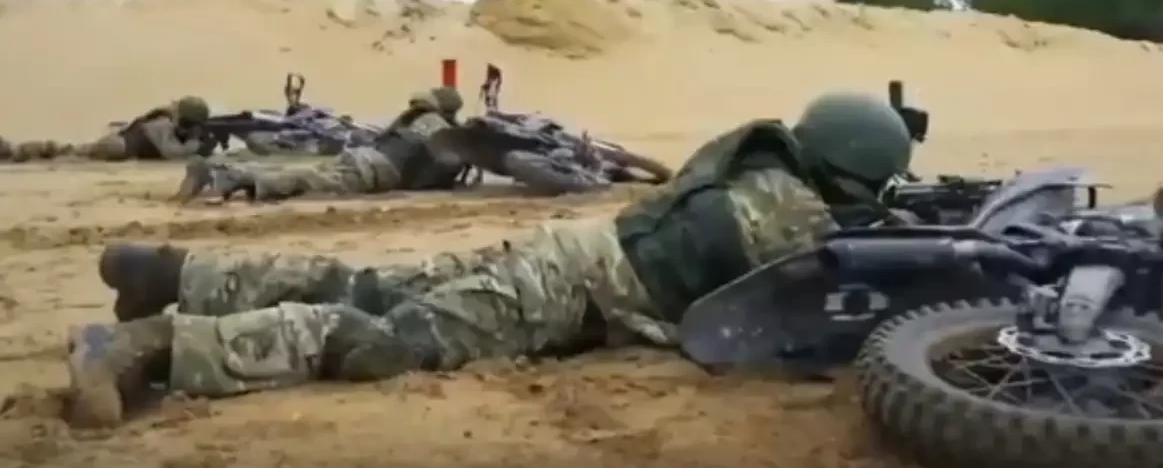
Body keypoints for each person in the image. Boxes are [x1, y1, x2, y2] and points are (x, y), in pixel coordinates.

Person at [64, 91, 915, 428]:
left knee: (370, 283)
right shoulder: (795, 213)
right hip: (569, 288)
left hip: (568, 253)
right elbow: (837, 290)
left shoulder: (760, 161)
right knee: (383, 338)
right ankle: (154, 345)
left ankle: (173, 272)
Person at [174, 86, 466, 203]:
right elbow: (446, 163)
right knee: (305, 180)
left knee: (308, 174)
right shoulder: (439, 127)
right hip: (376, 170)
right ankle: (228, 178)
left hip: (366, 157)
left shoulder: (415, 118)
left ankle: (228, 174)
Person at [0, 96, 211, 163]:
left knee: (70, 152)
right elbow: (170, 152)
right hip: (116, 147)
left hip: (117, 145)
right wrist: (195, 143)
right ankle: (15, 151)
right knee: (69, 153)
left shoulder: (164, 124)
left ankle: (16, 151)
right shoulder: (163, 125)